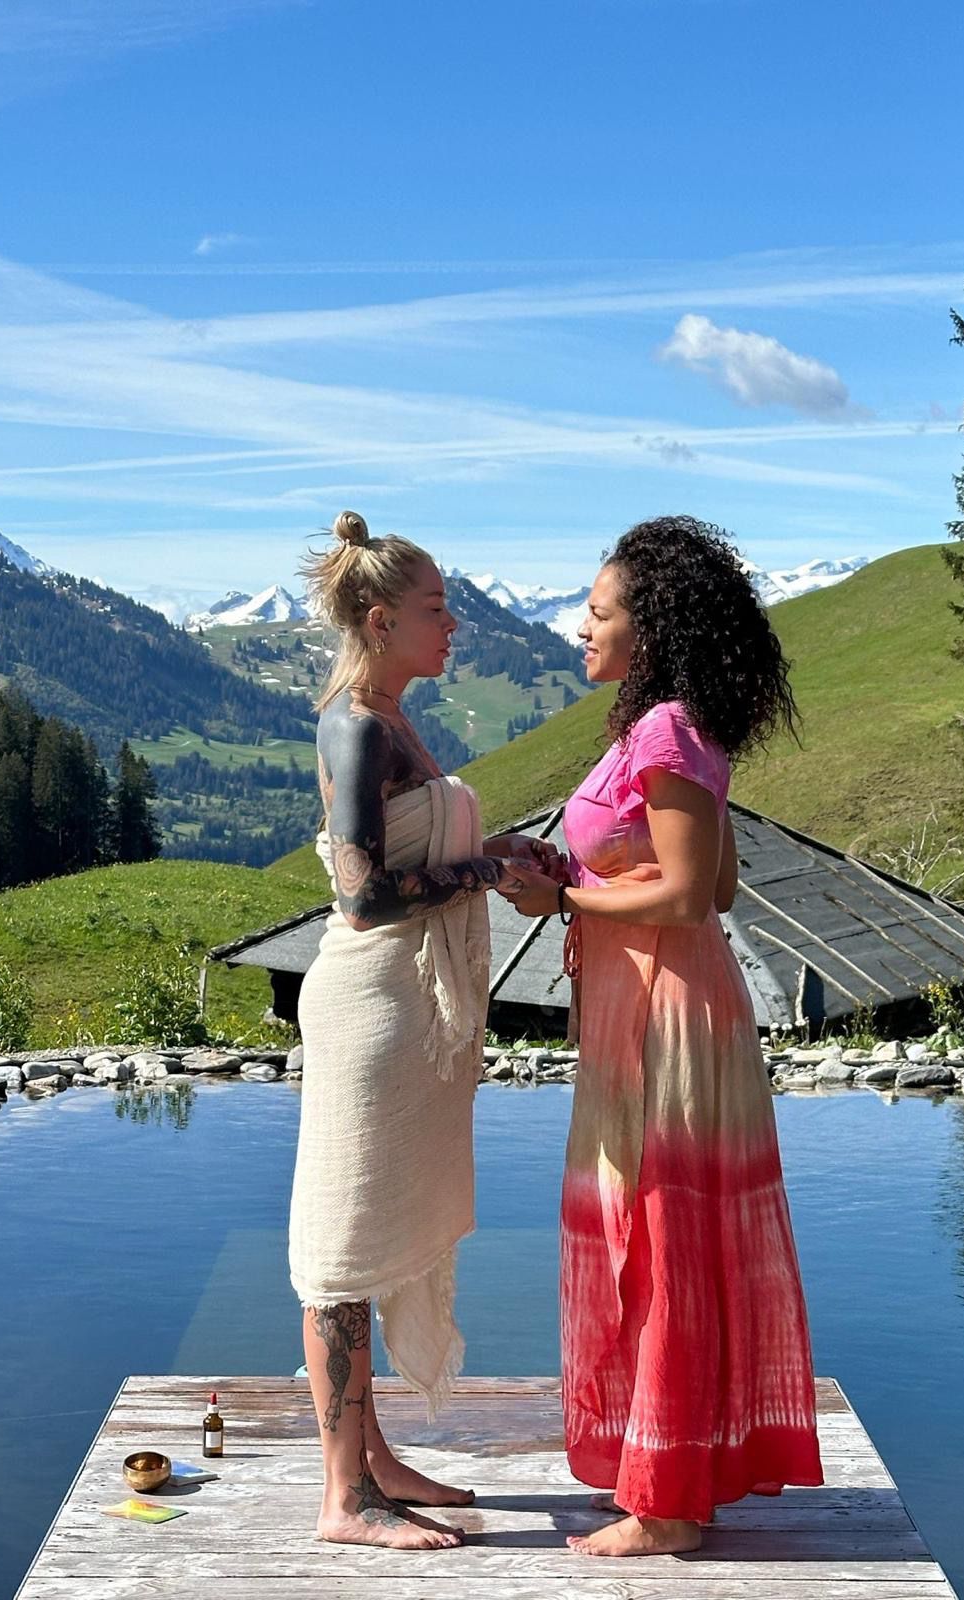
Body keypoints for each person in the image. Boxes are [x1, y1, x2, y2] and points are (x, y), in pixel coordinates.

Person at [500, 515, 823, 1557]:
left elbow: (690, 894)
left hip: (666, 1014)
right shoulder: (670, 727)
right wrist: (572, 876)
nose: (579, 627)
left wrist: (565, 902)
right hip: (656, 1004)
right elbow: (708, 881)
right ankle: (664, 1471)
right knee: (655, 1239)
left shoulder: (668, 731)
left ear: (651, 628)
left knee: (661, 1242)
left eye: (597, 612)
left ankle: (672, 1507)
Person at [289, 511, 558, 1551]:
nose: (454, 626)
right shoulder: (357, 725)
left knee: (374, 1236)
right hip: (373, 1008)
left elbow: (415, 845)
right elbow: (364, 894)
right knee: (344, 1246)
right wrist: (489, 870)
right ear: (378, 619)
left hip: (408, 1014)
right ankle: (343, 1499)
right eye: (437, 609)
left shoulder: (393, 719)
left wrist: (500, 848)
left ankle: (375, 1459)